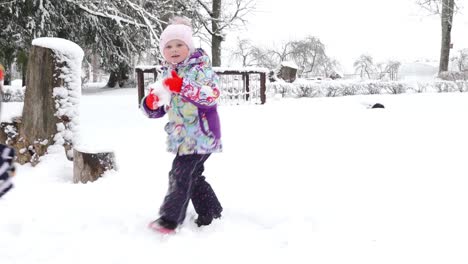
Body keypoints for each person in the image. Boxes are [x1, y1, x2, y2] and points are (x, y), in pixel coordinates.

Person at [141, 17, 223, 234]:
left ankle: (170, 219)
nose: (174, 50)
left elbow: (210, 97)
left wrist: (183, 86)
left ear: (189, 47)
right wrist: (151, 104)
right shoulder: (167, 74)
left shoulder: (201, 70)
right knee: (192, 175)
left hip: (202, 134)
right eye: (168, 46)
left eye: (179, 44)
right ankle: (211, 211)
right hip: (181, 136)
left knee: (180, 173)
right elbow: (159, 106)